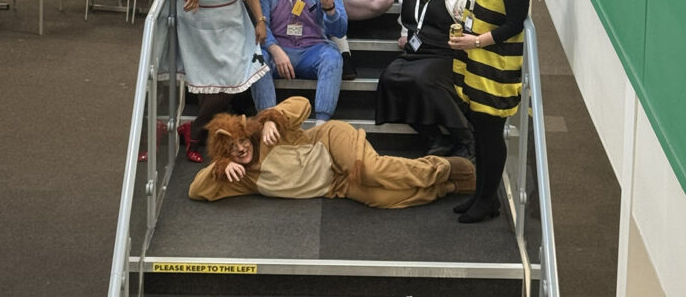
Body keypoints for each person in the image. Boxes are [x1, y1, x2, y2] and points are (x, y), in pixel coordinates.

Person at [148, 0, 269, 164]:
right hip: (197, 30)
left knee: (231, 84)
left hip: (234, 26)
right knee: (207, 88)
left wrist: (260, 20)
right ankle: (198, 139)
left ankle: (195, 128)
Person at [188, 96, 476, 208]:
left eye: (242, 142)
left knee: (374, 171)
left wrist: (272, 118)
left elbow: (302, 104)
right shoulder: (241, 178)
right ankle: (447, 187)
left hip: (329, 143)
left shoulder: (269, 135)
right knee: (381, 198)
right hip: (334, 185)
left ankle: (442, 168)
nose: (241, 149)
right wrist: (220, 167)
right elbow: (196, 190)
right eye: (232, 150)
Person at [445, 0, 530, 223]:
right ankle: (482, 194)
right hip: (476, 61)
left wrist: (476, 41)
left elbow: (513, 24)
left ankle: (488, 200)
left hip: (496, 66)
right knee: (480, 133)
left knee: (491, 134)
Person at [375, 0, 473, 158]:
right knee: (390, 77)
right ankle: (435, 136)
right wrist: (403, 34)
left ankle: (465, 137)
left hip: (447, 51)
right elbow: (406, 16)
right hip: (417, 51)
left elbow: (463, 16)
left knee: (424, 79)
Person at [250, 0, 347, 122]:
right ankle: (269, 123)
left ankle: (321, 126)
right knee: (256, 59)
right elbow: (260, 25)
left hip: (312, 50)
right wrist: (274, 49)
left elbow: (340, 29)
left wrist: (330, 9)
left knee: (333, 58)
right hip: (277, 49)